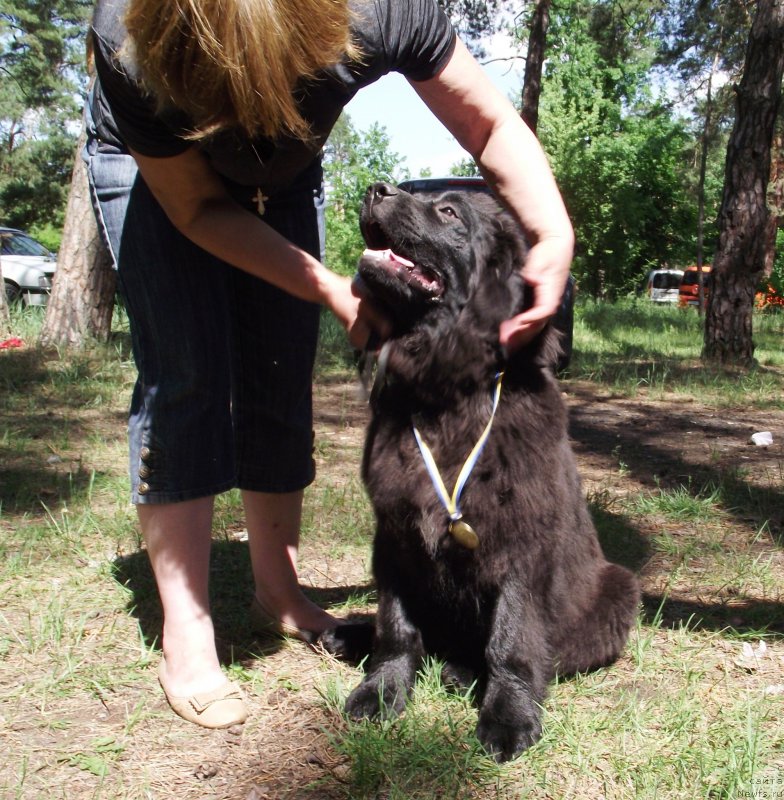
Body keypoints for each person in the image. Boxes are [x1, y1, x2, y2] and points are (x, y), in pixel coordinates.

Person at [85, 0, 574, 729]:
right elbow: (197, 212)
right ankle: (187, 631)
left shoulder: (379, 12)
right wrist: (330, 289)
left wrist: (553, 228)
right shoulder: (131, 41)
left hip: (283, 173)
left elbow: (489, 124)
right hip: (156, 170)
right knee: (186, 371)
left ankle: (276, 592)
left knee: (280, 368)